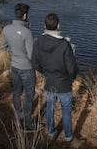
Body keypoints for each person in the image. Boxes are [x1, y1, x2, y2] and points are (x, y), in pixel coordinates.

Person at [32, 13, 82, 144]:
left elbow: (34, 62)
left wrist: (45, 73)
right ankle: (68, 136)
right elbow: (72, 67)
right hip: (64, 84)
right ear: (58, 26)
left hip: (49, 82)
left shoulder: (38, 42)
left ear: (44, 26)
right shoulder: (64, 44)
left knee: (50, 107)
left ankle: (51, 132)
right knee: (66, 111)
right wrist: (71, 78)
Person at [0, 3, 37, 132]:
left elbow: (3, 47)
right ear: (25, 15)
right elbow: (31, 55)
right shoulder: (27, 32)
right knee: (29, 95)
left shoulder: (6, 29)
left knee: (17, 91)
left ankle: (18, 114)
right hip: (27, 68)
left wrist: (16, 51)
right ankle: (27, 124)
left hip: (14, 66)